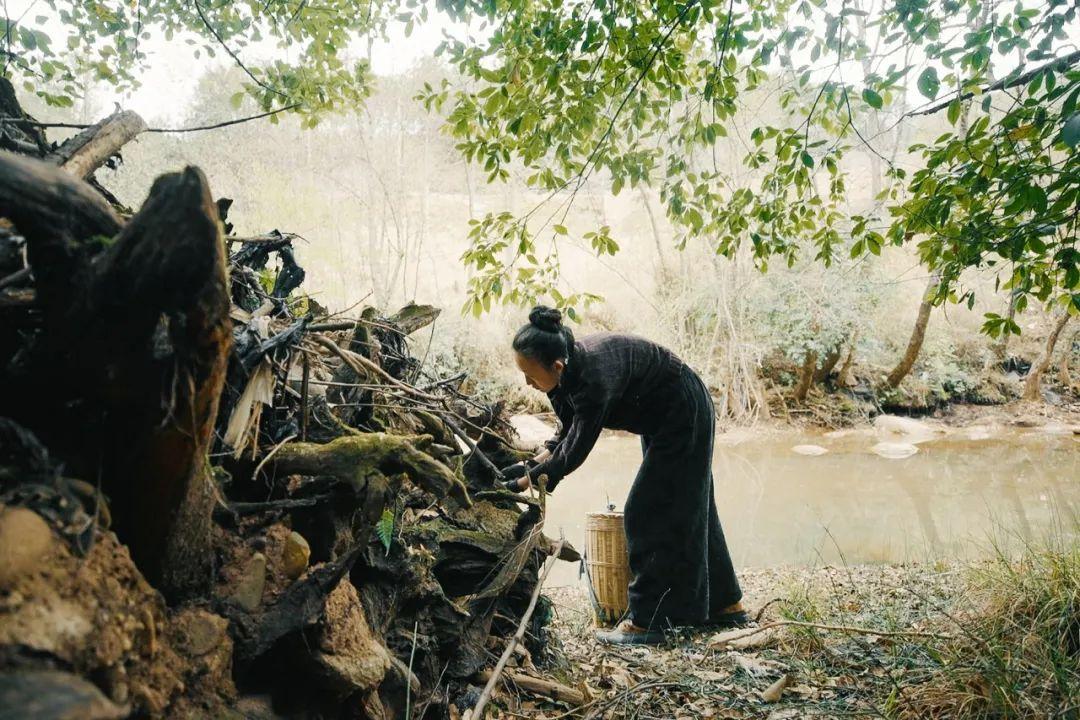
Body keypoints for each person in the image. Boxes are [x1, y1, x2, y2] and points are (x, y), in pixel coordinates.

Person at [500, 306, 748, 645]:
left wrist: (527, 480)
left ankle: (649, 622)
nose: (526, 383)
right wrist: (531, 465)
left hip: (684, 411)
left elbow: (575, 450)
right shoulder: (566, 372)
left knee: (647, 511)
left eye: (529, 375)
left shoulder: (593, 377)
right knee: (690, 505)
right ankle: (725, 604)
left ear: (556, 366)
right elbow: (565, 434)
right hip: (664, 419)